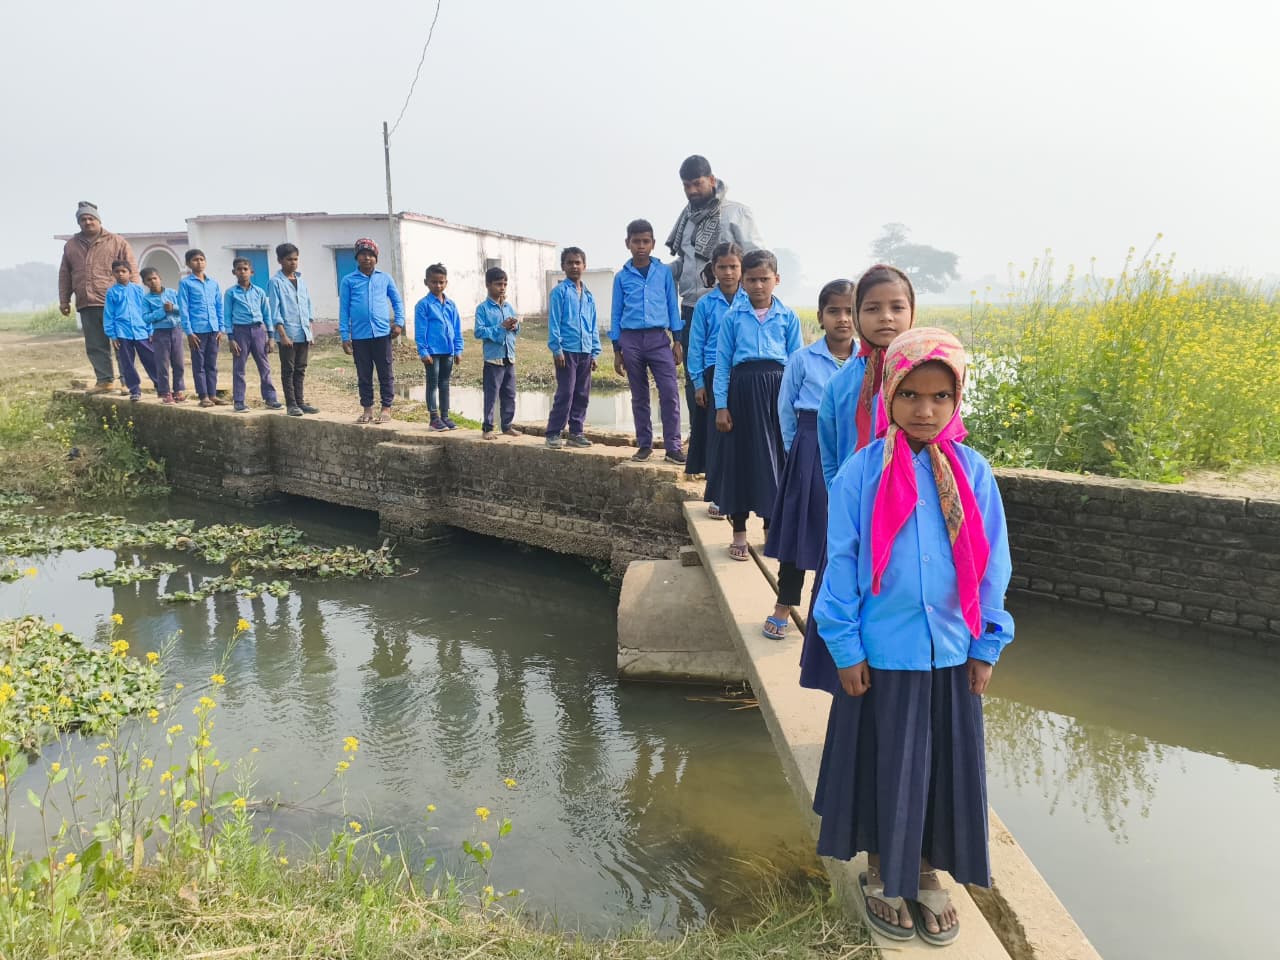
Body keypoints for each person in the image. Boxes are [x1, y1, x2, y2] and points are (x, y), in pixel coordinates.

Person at [810, 327, 1013, 947]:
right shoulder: (861, 473)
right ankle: (879, 869)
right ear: (890, 394)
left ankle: (923, 869)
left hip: (950, 652)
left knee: (936, 769)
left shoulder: (973, 472)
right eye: (911, 396)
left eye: (940, 397)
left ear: (956, 402)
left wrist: (986, 645)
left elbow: (993, 565)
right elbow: (840, 565)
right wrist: (845, 648)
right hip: (883, 655)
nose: (925, 410)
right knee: (884, 766)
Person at [800, 264, 917, 691]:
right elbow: (831, 460)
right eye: (872, 308)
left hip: (914, 522)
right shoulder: (841, 385)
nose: (886, 317)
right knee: (852, 624)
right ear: (856, 314)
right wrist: (845, 514)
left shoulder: (931, 378)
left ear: (911, 313)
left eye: (896, 307)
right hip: (858, 522)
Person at [760, 279, 856, 640]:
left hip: (852, 450)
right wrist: (795, 452)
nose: (842, 319)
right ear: (820, 317)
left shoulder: (868, 363)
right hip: (809, 446)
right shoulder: (802, 359)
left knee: (845, 531)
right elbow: (785, 410)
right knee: (801, 531)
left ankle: (836, 611)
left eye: (849, 311)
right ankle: (783, 605)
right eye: (834, 311)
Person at [708, 249, 801, 559]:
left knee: (776, 462)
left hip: (777, 392)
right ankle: (739, 533)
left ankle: (772, 532)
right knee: (741, 462)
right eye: (752, 279)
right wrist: (722, 405)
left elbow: (797, 364)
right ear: (743, 283)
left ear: (776, 280)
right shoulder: (732, 318)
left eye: (764, 279)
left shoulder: (788, 317)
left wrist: (796, 405)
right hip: (742, 392)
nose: (759, 285)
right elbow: (722, 364)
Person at [666, 156, 763, 447]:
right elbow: (683, 262)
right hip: (693, 306)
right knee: (695, 375)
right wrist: (652, 272)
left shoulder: (735, 213)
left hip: (733, 306)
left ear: (711, 179)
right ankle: (701, 441)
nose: (692, 191)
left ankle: (738, 440)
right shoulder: (686, 218)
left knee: (735, 370)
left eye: (696, 184)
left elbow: (756, 258)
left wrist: (756, 300)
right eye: (686, 186)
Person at [610, 219, 685, 463]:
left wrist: (677, 341)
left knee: (670, 392)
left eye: (645, 241)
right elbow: (616, 312)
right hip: (630, 339)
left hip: (658, 338)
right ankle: (644, 444)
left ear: (653, 244)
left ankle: (673, 447)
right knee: (639, 394)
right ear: (627, 243)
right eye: (636, 241)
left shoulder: (662, 272)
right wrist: (616, 350)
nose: (641, 246)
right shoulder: (622, 277)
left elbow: (673, 307)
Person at [686, 241, 745, 508]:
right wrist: (698, 383)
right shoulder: (705, 304)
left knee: (742, 435)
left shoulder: (751, 301)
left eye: (734, 266)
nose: (729, 272)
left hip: (743, 374)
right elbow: (695, 346)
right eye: (723, 267)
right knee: (716, 437)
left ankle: (744, 494)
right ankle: (718, 495)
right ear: (714, 269)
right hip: (712, 374)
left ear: (742, 268)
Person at [58, 201, 138, 393]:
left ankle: (127, 382)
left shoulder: (117, 241)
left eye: (90, 218)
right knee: (95, 344)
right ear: (79, 223)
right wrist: (64, 299)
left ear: (98, 220)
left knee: (122, 343)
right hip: (87, 302)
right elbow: (65, 274)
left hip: (116, 302)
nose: (87, 222)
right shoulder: (71, 245)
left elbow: (132, 269)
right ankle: (104, 381)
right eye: (83, 219)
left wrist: (134, 297)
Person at [339, 237, 404, 424]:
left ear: (376, 258)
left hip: (382, 334)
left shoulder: (385, 278)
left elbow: (397, 301)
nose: (367, 258)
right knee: (364, 374)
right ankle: (367, 409)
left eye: (370, 255)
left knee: (385, 372)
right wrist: (345, 335)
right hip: (360, 336)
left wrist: (399, 323)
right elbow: (344, 309)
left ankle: (386, 408)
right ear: (357, 258)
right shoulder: (348, 281)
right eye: (362, 255)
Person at [545, 247, 600, 449]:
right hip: (566, 351)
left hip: (585, 351)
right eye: (570, 263)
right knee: (566, 392)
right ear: (563, 266)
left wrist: (595, 352)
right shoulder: (559, 292)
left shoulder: (589, 296)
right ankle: (553, 432)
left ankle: (576, 432)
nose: (574, 266)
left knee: (582, 394)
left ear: (584, 266)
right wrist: (556, 349)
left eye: (578, 262)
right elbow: (555, 322)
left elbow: (593, 326)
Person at [224, 257, 281, 413]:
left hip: (258, 331)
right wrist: (231, 338)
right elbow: (227, 316)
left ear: (251, 272)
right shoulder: (230, 293)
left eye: (245, 269)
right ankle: (239, 401)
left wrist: (271, 337)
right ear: (234, 272)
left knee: (264, 366)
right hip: (240, 332)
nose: (242, 272)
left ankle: (270, 398)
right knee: (239, 367)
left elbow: (267, 314)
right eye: (239, 269)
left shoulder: (259, 292)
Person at [268, 243, 318, 417]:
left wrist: (309, 332)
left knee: (301, 368)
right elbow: (275, 311)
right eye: (289, 259)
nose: (293, 263)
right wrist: (282, 335)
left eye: (295, 259)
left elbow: (307, 307)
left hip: (303, 333)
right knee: (288, 370)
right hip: (288, 334)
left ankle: (301, 402)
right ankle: (291, 404)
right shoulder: (275, 282)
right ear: (280, 260)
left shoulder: (301, 281)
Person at [414, 263, 463, 431]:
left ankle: (445, 416)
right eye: (434, 282)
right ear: (426, 282)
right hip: (432, 353)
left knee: (444, 383)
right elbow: (420, 330)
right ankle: (433, 418)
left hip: (448, 351)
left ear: (446, 283)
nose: (438, 285)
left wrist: (458, 349)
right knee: (432, 383)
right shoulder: (423, 305)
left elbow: (456, 328)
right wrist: (423, 350)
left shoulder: (451, 305)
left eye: (441, 282)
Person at [103, 259, 160, 401]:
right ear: (113, 274)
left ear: (130, 273)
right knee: (127, 362)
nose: (121, 274)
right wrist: (113, 335)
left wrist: (150, 330)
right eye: (117, 272)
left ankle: (161, 387)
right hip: (122, 332)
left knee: (151, 359)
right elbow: (109, 315)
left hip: (141, 331)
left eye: (124, 271)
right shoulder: (111, 293)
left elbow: (146, 311)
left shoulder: (138, 290)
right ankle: (135, 390)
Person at [474, 266, 520, 439]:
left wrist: (514, 326)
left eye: (505, 284)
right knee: (492, 395)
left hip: (509, 355)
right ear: (488, 285)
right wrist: (500, 328)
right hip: (494, 359)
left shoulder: (508, 307)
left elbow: (516, 330)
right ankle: (488, 428)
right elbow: (479, 331)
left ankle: (507, 425)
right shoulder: (483, 309)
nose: (502, 287)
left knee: (510, 393)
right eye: (498, 284)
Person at [179, 249, 226, 407]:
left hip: (213, 329)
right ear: (188, 264)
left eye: (201, 259)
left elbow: (219, 306)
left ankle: (212, 394)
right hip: (197, 331)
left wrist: (221, 328)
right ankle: (203, 396)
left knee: (211, 364)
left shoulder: (213, 283)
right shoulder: (185, 283)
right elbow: (184, 308)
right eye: (195, 260)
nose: (199, 262)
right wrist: (189, 332)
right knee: (198, 365)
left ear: (205, 261)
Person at [140, 267, 185, 404]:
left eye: (155, 278)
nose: (153, 282)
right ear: (145, 283)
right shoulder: (146, 300)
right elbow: (146, 318)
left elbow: (183, 309)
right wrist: (162, 311)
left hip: (176, 330)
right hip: (160, 333)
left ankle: (178, 390)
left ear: (160, 278)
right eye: (149, 280)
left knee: (178, 362)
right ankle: (165, 392)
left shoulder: (172, 293)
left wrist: (173, 308)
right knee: (162, 364)